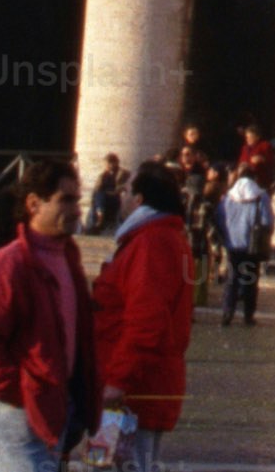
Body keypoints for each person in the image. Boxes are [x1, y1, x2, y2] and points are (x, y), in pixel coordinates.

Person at [0, 160, 101, 472]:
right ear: (34, 204)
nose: (76, 209)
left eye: (77, 200)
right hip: (16, 414)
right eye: (65, 200)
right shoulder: (6, 267)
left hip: (52, 408)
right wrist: (24, 391)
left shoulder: (67, 258)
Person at [90, 166, 194, 471]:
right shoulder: (156, 239)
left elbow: (146, 320)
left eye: (126, 190)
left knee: (121, 465)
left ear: (139, 199)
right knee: (104, 463)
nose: (120, 195)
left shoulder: (151, 243)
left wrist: (118, 380)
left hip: (130, 391)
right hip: (131, 385)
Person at [217, 159, 269, 326]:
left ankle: (227, 313)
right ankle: (248, 315)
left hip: (232, 243)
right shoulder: (261, 196)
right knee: (251, 280)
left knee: (231, 279)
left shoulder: (228, 197)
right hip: (252, 244)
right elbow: (267, 221)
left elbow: (219, 217)